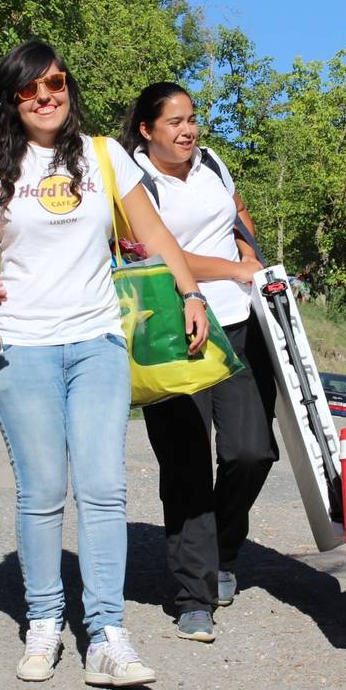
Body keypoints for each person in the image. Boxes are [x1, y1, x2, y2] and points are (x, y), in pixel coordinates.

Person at [0, 41, 209, 687]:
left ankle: (106, 634)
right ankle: (43, 623)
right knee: (41, 493)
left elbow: (153, 233)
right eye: (29, 90)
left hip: (97, 340)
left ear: (69, 87)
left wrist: (191, 291)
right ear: (11, 100)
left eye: (55, 84)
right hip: (20, 344)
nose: (46, 97)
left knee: (102, 488)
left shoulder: (105, 155)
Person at [120, 82, 278, 643]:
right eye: (175, 123)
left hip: (240, 325)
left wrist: (253, 259)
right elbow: (162, 253)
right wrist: (233, 271)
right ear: (146, 130)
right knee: (186, 467)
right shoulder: (132, 182)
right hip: (173, 334)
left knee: (252, 451)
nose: (188, 131)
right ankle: (194, 595)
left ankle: (223, 550)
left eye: (192, 120)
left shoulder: (211, 161)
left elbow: (237, 214)